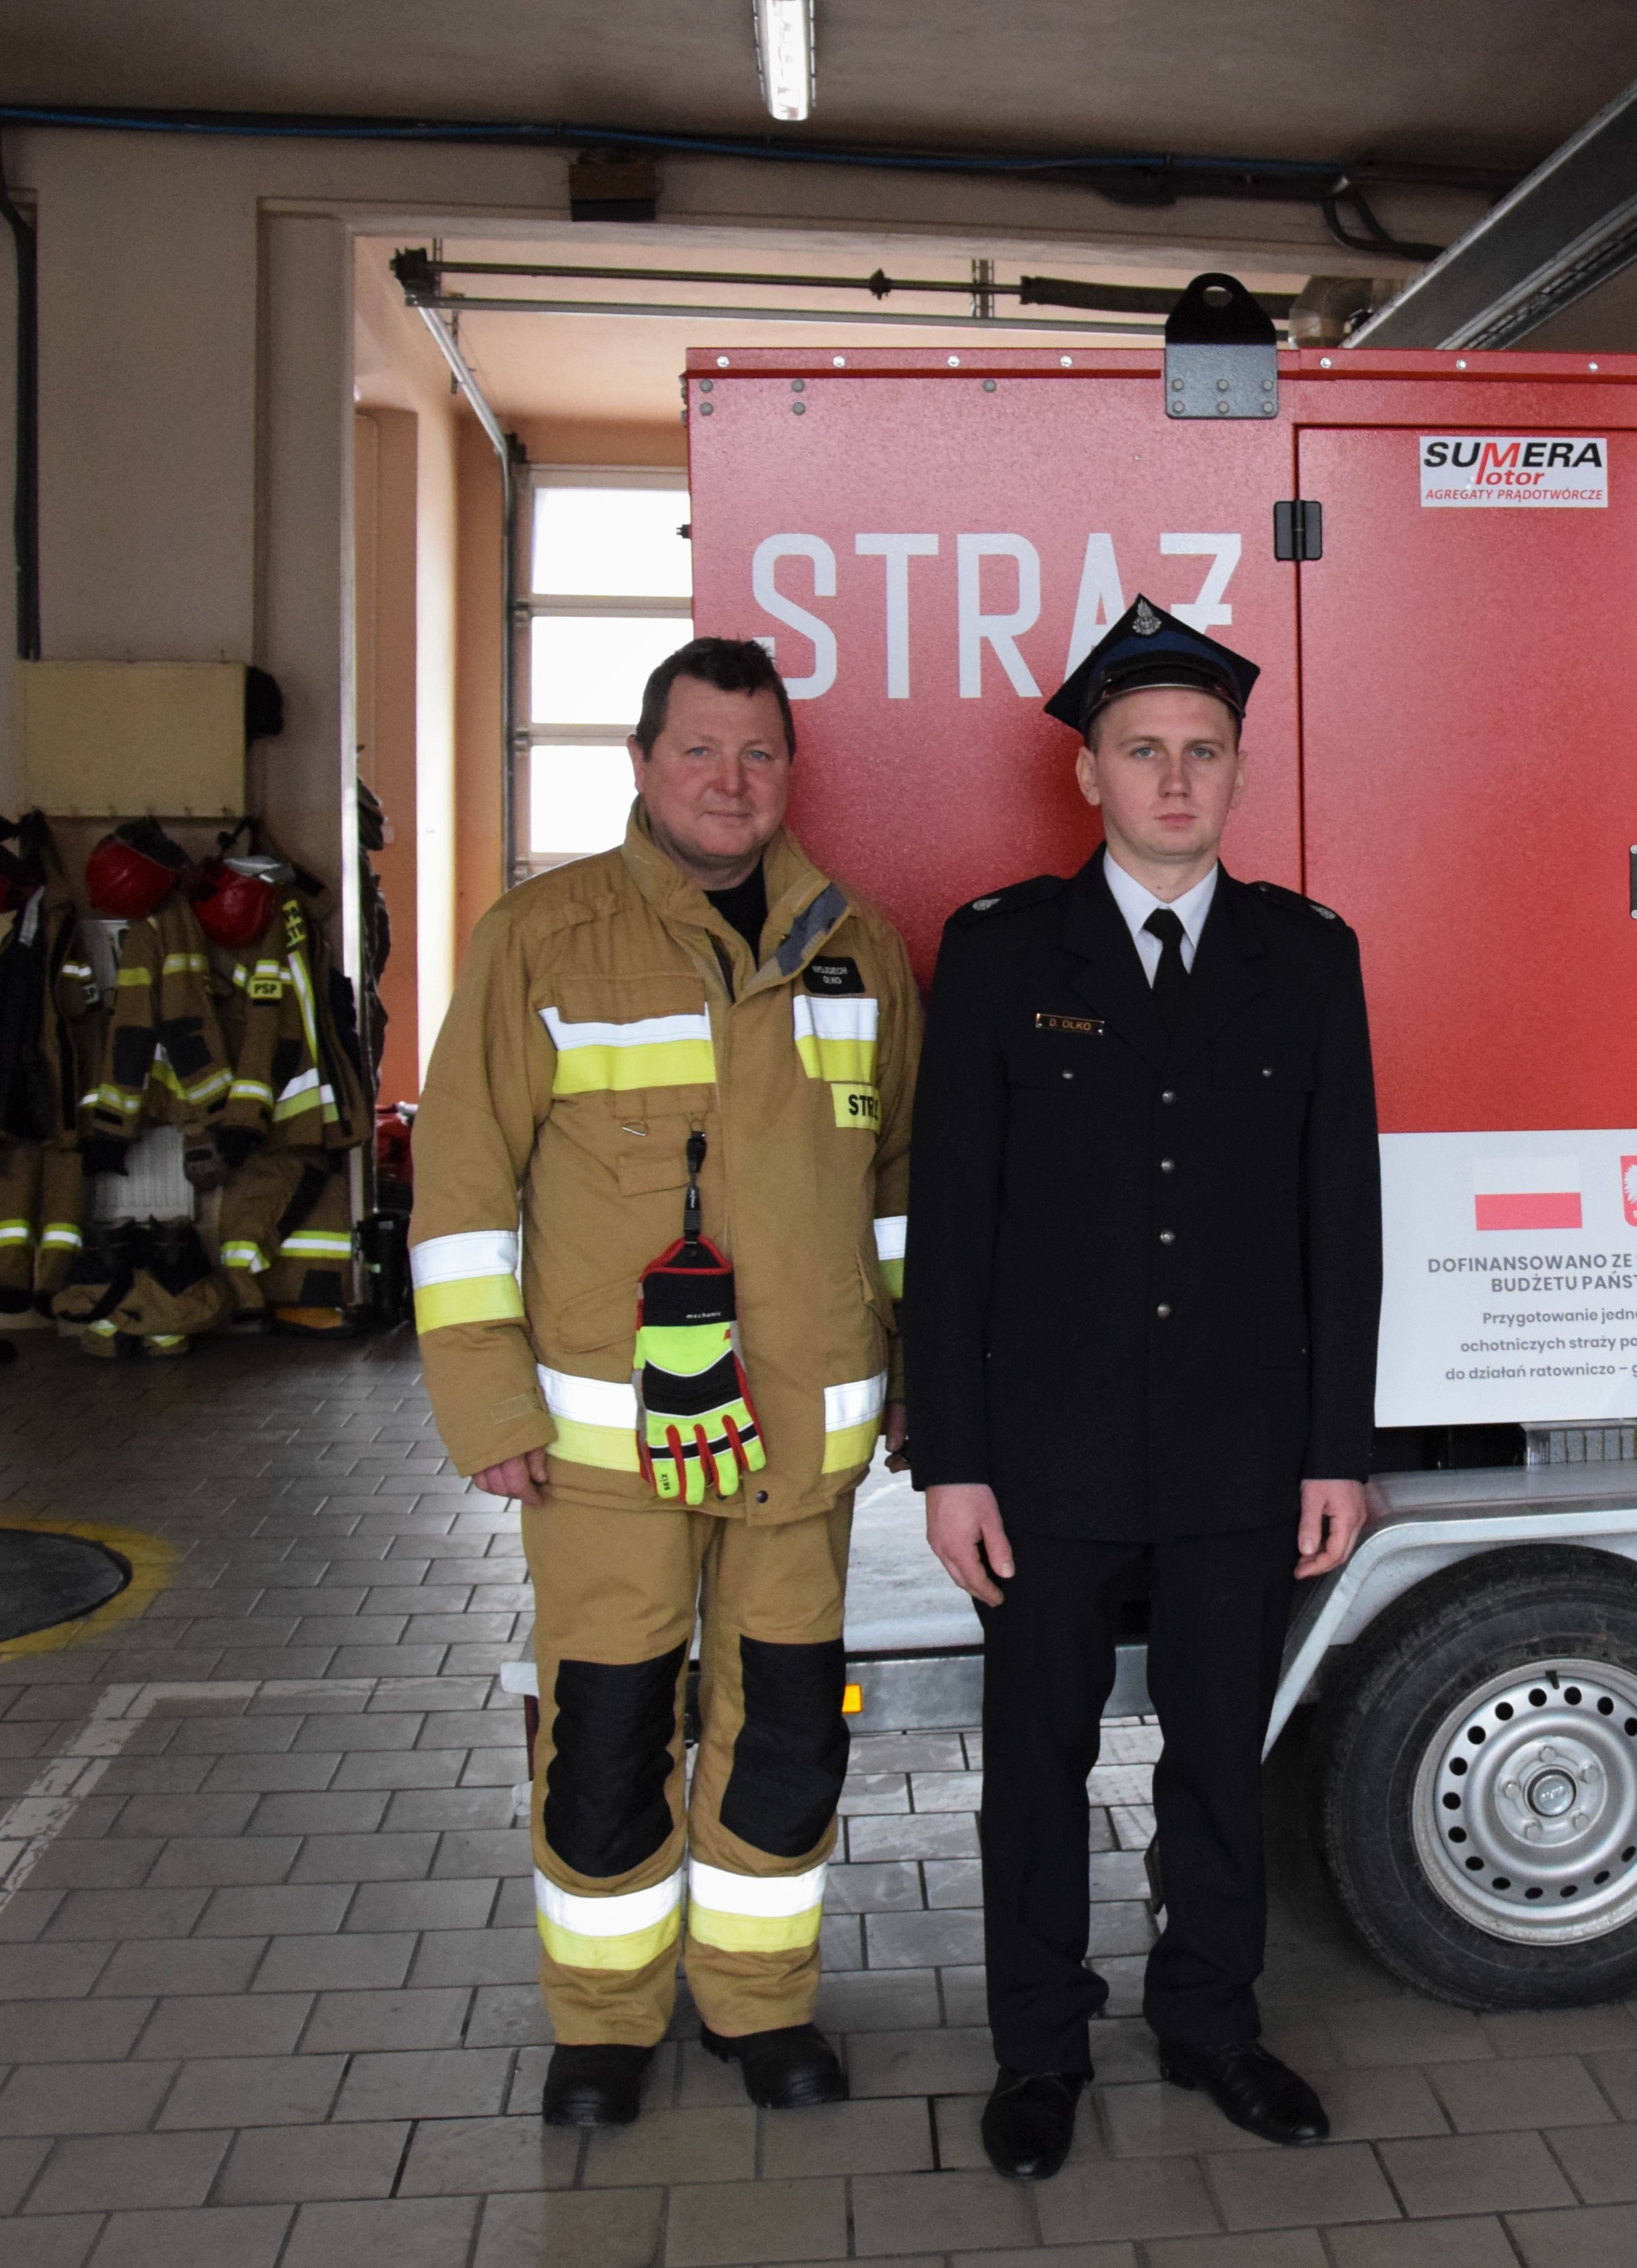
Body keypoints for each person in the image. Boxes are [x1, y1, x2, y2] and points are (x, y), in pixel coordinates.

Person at [412, 636, 919, 2128]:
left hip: (800, 1437)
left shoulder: (858, 945)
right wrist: (486, 1405)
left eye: (757, 753)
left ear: (790, 771)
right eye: (698, 750)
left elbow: (899, 1187)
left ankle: (760, 2003)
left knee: (785, 1735)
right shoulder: (542, 939)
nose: (729, 781)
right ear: (641, 763)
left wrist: (915, 1374)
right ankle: (604, 2024)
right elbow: (460, 1188)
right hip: (603, 1449)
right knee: (609, 1736)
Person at [907, 597, 1383, 2181]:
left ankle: (1211, 2026)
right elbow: (953, 1222)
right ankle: (1038, 2049)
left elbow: (1341, 1219)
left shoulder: (1306, 958)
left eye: (1202, 751)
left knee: (1215, 1765)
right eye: (1141, 751)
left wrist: (1335, 1449)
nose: (1174, 779)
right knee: (1035, 1769)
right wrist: (951, 1461)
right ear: (1087, 775)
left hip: (1243, 1450)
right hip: (1043, 1453)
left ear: (1238, 770)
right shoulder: (998, 953)